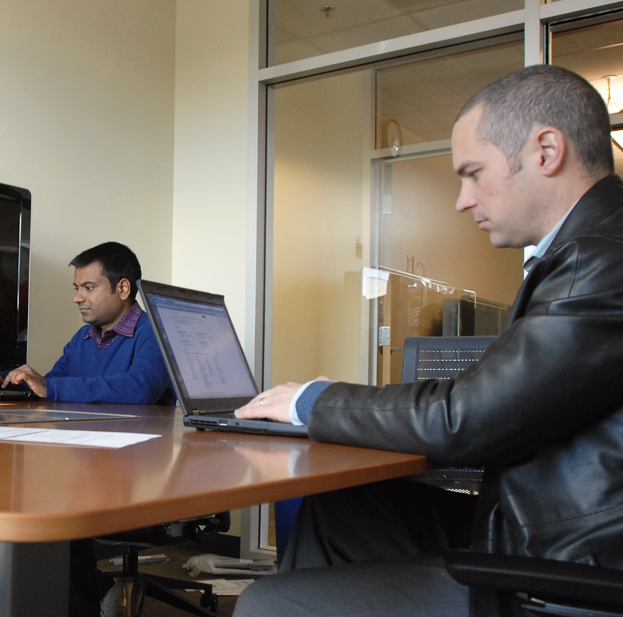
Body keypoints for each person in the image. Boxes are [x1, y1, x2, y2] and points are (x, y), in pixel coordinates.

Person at [232, 64, 623, 616]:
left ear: (545, 151)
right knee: (338, 506)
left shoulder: (598, 259)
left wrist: (310, 399)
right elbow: (490, 396)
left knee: (267, 604)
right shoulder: (588, 250)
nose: (462, 200)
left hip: (571, 571)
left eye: (473, 172)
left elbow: (467, 417)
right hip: (549, 529)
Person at [0, 241, 171, 404]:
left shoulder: (157, 332)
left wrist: (50, 387)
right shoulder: (82, 337)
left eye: (88, 288)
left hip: (138, 440)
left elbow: (140, 389)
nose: (77, 298)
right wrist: (1, 380)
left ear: (123, 288)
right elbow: (50, 384)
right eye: (77, 288)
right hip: (85, 437)